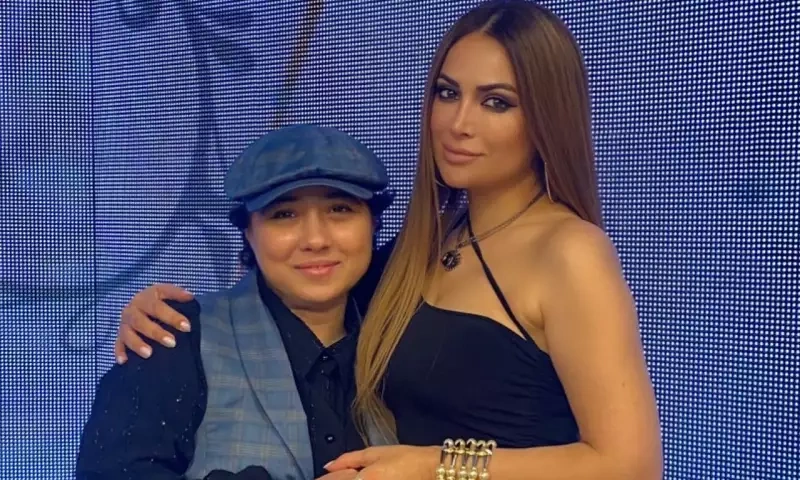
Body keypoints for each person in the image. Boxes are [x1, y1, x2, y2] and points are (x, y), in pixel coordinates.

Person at [110, 1, 664, 479]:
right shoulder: (421, 249)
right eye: (447, 93)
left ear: (546, 117)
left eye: (496, 101)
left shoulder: (570, 251)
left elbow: (631, 466)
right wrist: (163, 316)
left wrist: (433, 466)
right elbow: (305, 283)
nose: (458, 123)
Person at [75, 124, 393, 480]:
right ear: (247, 230)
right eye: (284, 214)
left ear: (373, 221)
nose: (316, 239)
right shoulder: (177, 336)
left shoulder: (403, 339)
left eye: (340, 209)